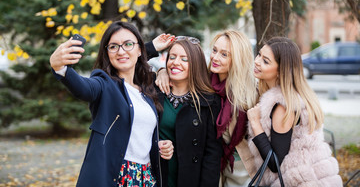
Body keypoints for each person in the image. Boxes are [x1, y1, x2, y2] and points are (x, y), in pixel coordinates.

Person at [50, 21, 174, 187]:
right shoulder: (104, 84)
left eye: (128, 44)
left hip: (146, 176)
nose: (120, 51)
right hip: (116, 176)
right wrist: (60, 67)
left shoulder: (147, 89)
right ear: (107, 53)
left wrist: (158, 145)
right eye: (113, 46)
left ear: (139, 50)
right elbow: (84, 88)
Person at [156, 30, 258, 186]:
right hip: (214, 169)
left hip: (240, 168)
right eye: (215, 50)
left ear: (237, 59)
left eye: (224, 54)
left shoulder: (248, 94)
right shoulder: (206, 84)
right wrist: (162, 72)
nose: (215, 57)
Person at [247, 37, 342, 186]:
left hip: (300, 181)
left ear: (280, 71)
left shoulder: (282, 106)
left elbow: (275, 164)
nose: (257, 61)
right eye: (259, 55)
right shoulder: (293, 96)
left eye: (265, 61)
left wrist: (255, 123)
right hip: (314, 177)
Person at [156, 36, 222, 187]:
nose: (175, 62)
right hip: (157, 176)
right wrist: (160, 70)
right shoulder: (154, 91)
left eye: (184, 59)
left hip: (190, 180)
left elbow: (212, 155)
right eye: (172, 57)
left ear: (195, 64)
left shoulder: (208, 101)